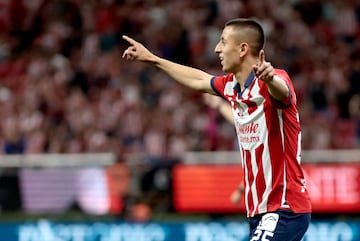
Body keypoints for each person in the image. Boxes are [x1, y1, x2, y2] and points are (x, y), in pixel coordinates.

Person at [122, 18, 311, 241]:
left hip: (285, 208)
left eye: (223, 42)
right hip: (258, 212)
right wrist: (152, 59)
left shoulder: (276, 80)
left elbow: (282, 91)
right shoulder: (232, 86)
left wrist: (269, 79)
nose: (217, 48)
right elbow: (200, 80)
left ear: (242, 49)